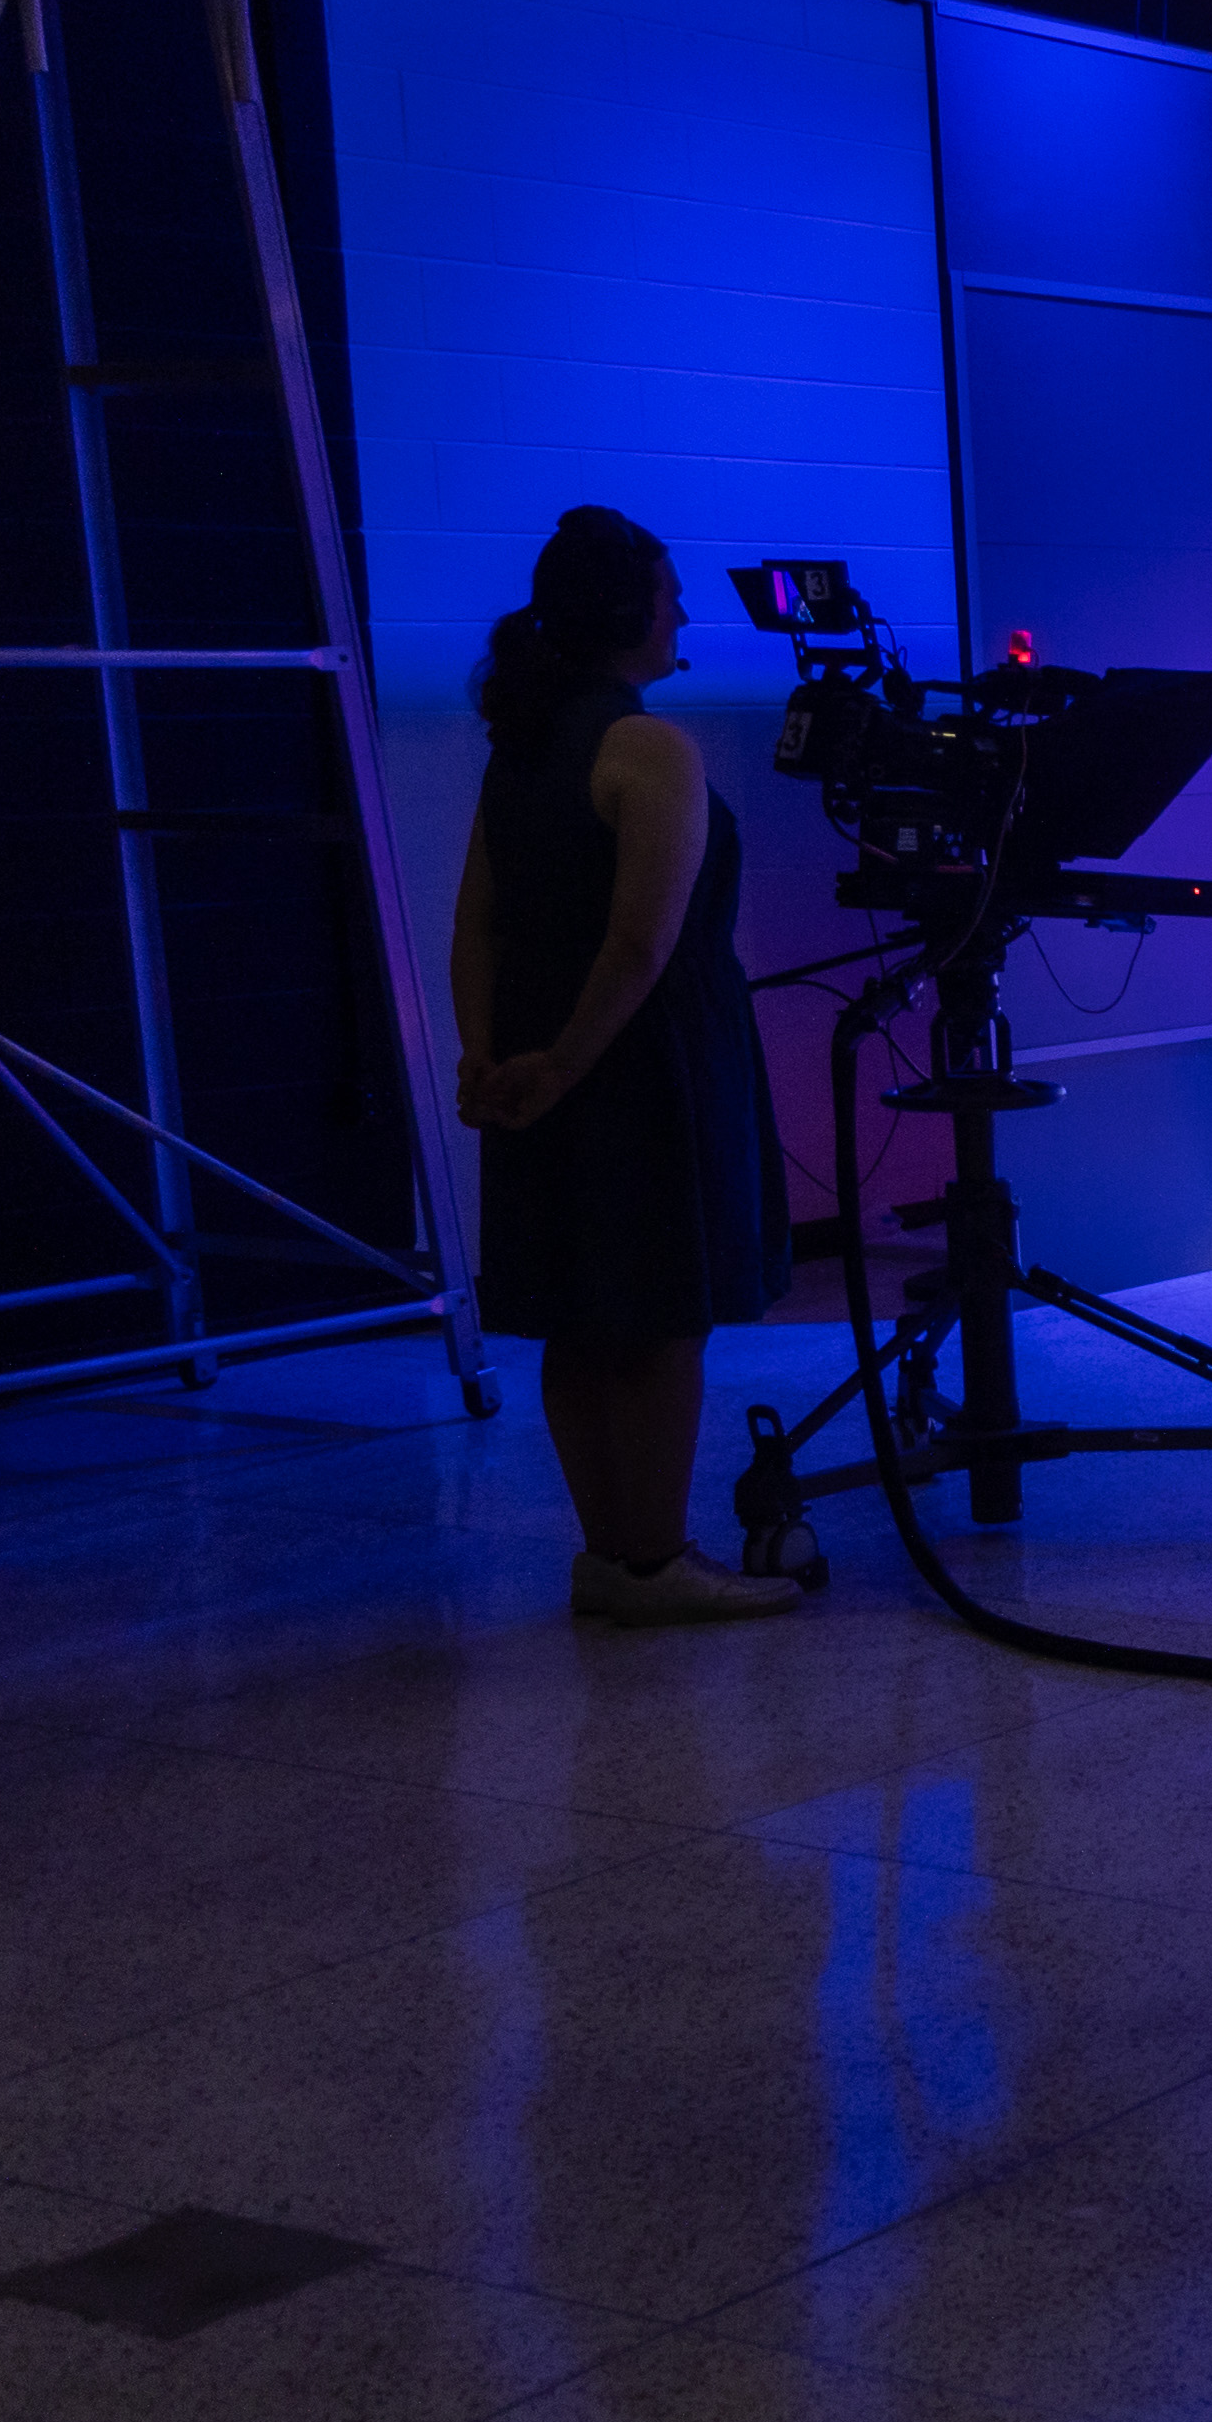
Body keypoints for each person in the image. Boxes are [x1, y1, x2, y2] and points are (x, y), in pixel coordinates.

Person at [452, 506, 802, 1618]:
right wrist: (563, 1064)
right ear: (631, 612)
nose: (685, 609)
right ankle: (655, 1560)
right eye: (671, 591)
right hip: (644, 1065)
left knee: (575, 1311)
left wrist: (491, 1059)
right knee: (657, 1314)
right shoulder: (649, 745)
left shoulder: (521, 750)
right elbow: (644, 942)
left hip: (541, 1058)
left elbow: (480, 927)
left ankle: (608, 1553)